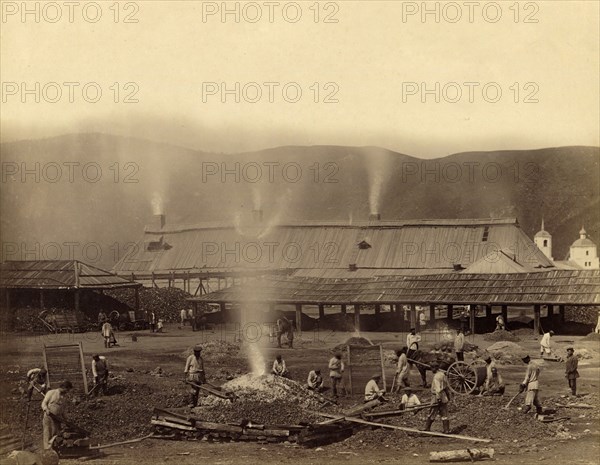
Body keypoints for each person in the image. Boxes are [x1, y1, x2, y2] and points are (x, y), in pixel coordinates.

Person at [41, 380, 73, 449]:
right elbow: (44, 403)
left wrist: (66, 419)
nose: (67, 392)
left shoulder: (64, 397)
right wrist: (46, 409)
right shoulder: (51, 393)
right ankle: (47, 449)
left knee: (55, 433)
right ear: (64, 387)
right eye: (67, 389)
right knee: (47, 432)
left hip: (57, 419)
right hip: (48, 417)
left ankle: (54, 449)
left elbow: (63, 410)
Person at [422, 362, 451, 433]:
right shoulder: (442, 374)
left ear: (435, 368)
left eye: (432, 368)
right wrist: (448, 396)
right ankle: (446, 430)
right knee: (444, 413)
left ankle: (427, 427)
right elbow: (446, 386)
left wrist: (438, 399)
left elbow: (438, 389)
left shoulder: (436, 377)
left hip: (437, 396)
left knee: (432, 412)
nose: (431, 370)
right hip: (444, 396)